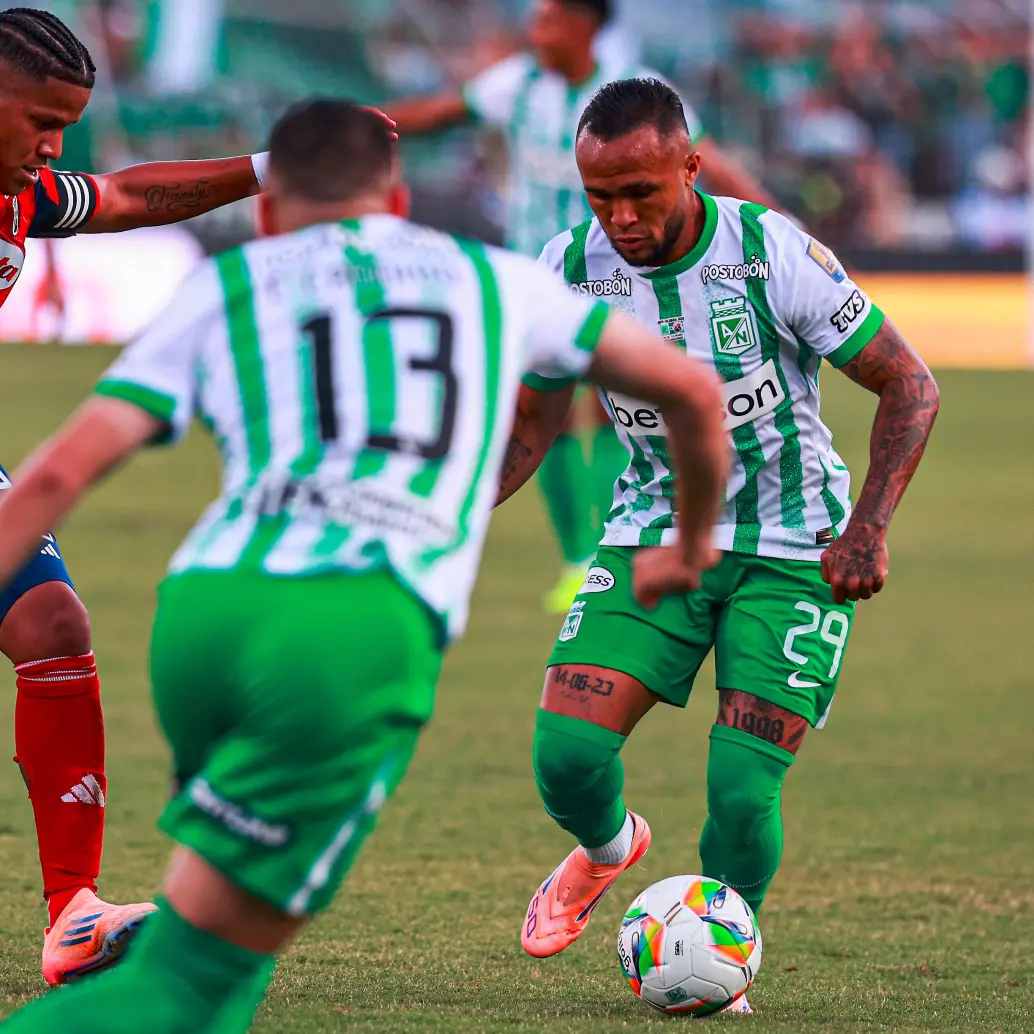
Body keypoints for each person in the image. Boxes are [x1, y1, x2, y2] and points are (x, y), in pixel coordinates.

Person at [0, 97, 727, 1034]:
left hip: (202, 613)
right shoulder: (492, 277)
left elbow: (61, 471)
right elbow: (690, 390)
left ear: (269, 214)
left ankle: (83, 918)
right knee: (190, 981)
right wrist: (692, 545)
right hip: (353, 627)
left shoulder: (232, 280)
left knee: (216, 945)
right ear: (398, 200)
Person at [498, 79, 939, 1014]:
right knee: (566, 756)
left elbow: (909, 383)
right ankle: (608, 849)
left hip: (797, 544)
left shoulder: (772, 252)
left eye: (640, 193)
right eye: (599, 196)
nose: (619, 217)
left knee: (742, 788)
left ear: (691, 168)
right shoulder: (566, 269)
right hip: (653, 528)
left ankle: (722, 960)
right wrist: (452, 515)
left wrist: (868, 527)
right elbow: (533, 423)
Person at [0, 5, 289, 984]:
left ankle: (72, 912)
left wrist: (269, 168)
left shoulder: (17, 194)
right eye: (42, 122)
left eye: (65, 127)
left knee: (52, 624)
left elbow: (125, 196)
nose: (54, 147)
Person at [390, 0, 776, 615]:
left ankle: (618, 539)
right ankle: (578, 556)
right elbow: (439, 114)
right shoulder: (517, 83)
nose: (535, 30)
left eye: (547, 18)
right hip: (538, 277)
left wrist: (776, 222)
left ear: (584, 24)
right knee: (547, 410)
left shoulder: (632, 93)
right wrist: (364, 130)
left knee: (615, 407)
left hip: (621, 274)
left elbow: (706, 160)